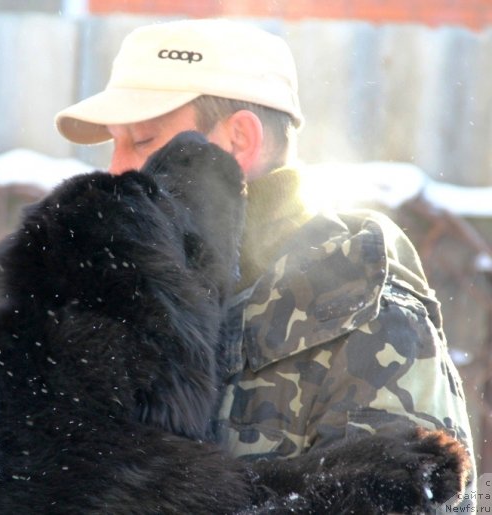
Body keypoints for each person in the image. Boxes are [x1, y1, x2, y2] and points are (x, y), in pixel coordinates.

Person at [54, 17, 475, 496]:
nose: (116, 168)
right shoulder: (112, 298)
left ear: (240, 141)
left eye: (144, 141)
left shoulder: (367, 319)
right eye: (114, 142)